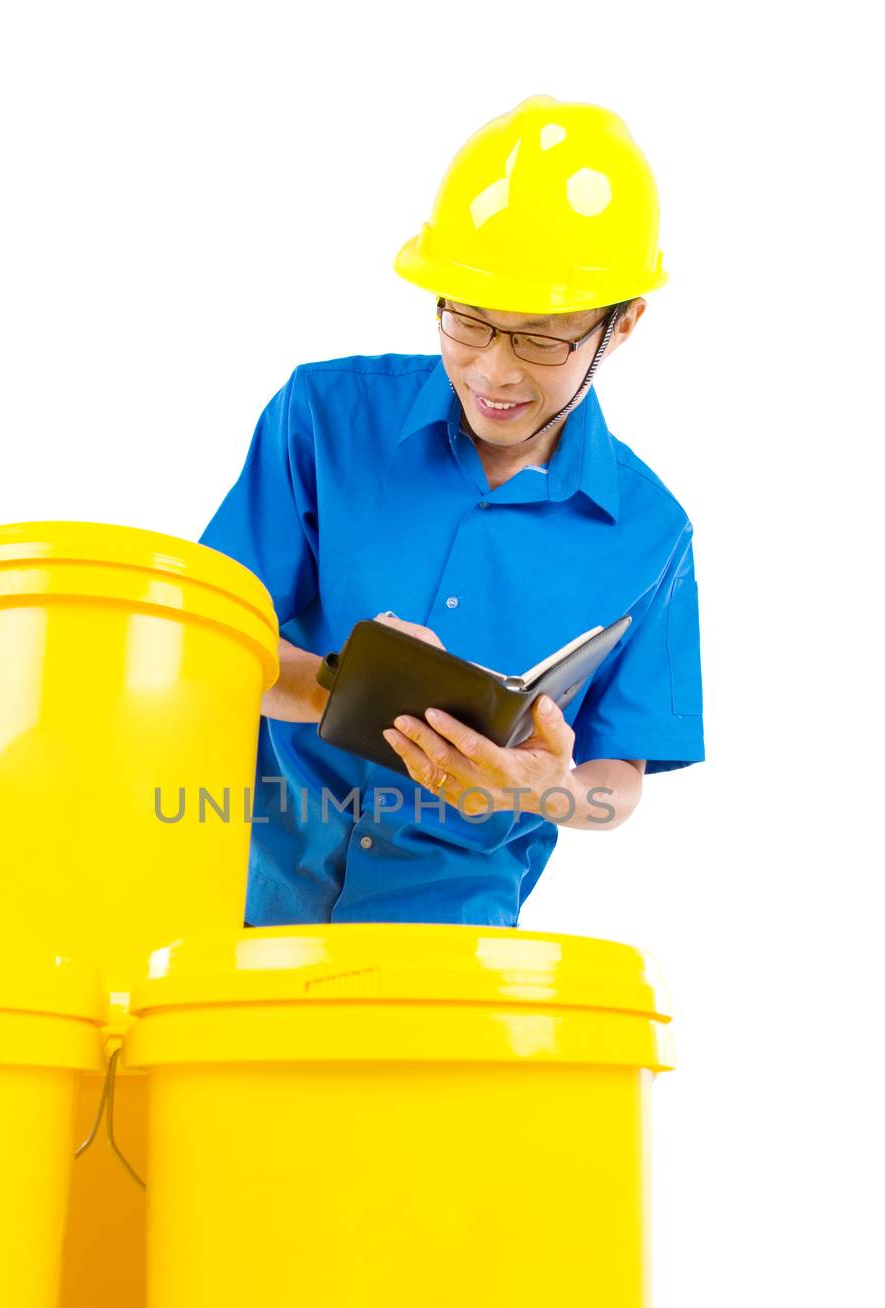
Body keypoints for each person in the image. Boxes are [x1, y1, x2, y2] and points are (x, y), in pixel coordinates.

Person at [200, 96, 705, 929]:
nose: (493, 373)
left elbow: (616, 789)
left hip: (452, 940)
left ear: (622, 326)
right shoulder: (322, 419)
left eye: (542, 338)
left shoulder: (652, 536)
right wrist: (340, 685)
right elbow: (209, 644)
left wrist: (548, 791)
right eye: (468, 321)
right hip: (243, 895)